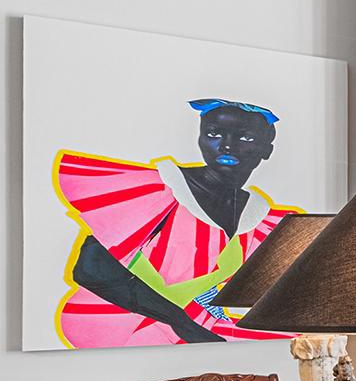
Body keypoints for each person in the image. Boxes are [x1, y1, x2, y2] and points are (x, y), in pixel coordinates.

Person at [54, 99, 298, 347]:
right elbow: (91, 268)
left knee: (296, 340)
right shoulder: (164, 189)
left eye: (244, 138)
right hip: (118, 319)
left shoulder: (259, 217)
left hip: (190, 324)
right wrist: (183, 322)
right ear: (200, 138)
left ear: (266, 149)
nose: (226, 145)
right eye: (214, 133)